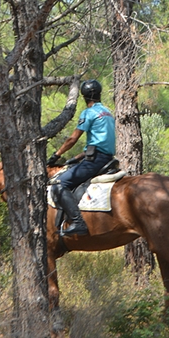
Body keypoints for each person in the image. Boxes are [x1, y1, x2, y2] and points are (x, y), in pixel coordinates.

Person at [47, 79, 116, 236]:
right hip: (106, 158)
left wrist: (56, 155)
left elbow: (72, 139)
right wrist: (76, 158)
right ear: (99, 94)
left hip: (95, 161)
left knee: (59, 183)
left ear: (84, 97)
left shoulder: (89, 113)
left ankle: (78, 222)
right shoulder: (107, 112)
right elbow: (99, 144)